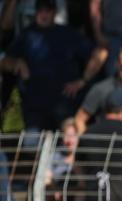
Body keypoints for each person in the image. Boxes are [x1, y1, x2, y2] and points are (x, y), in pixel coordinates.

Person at [0, 0, 106, 133]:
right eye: (40, 10)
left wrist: (83, 80)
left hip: (64, 104)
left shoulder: (68, 34)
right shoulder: (26, 35)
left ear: (55, 12)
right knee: (31, 144)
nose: (44, 14)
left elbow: (101, 53)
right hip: (34, 106)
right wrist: (17, 63)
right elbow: (4, 61)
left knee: (69, 139)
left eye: (48, 11)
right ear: (36, 12)